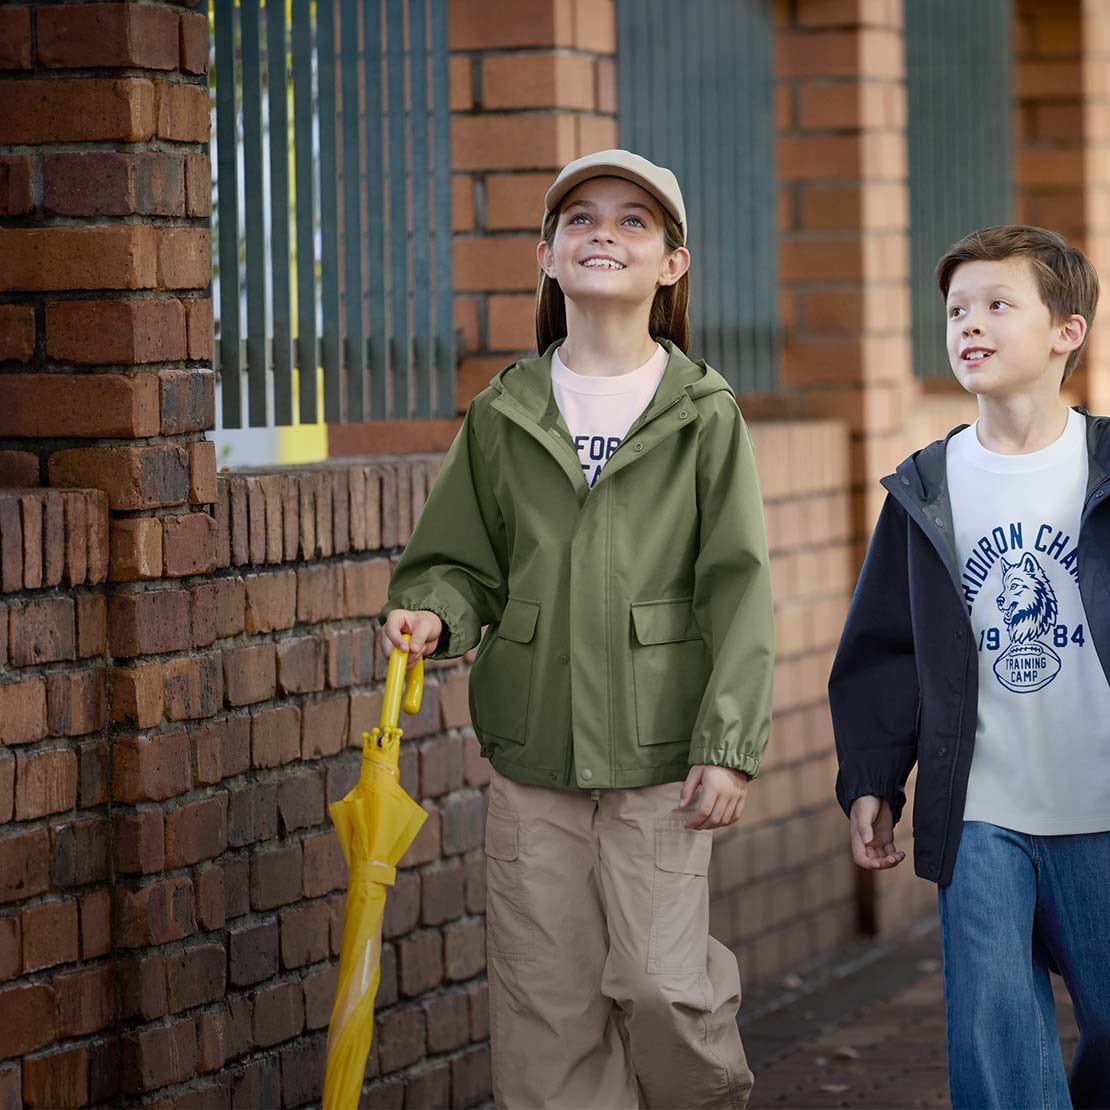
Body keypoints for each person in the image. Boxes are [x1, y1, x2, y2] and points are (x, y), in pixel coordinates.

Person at [379, 149, 773, 1108]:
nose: (606, 233)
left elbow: (738, 586)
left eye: (635, 222)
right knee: (548, 1015)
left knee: (660, 989)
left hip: (660, 766)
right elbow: (459, 559)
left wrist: (727, 747)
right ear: (547, 256)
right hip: (533, 766)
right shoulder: (504, 412)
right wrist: (435, 611)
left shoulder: (702, 415)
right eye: (582, 219)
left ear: (672, 266)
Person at [829, 225, 1110, 1108]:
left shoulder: (1105, 467)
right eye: (956, 310)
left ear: (1067, 330)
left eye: (998, 305)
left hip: (1101, 802)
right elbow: (882, 646)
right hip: (980, 809)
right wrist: (874, 776)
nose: (969, 326)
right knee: (992, 1040)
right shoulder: (929, 485)